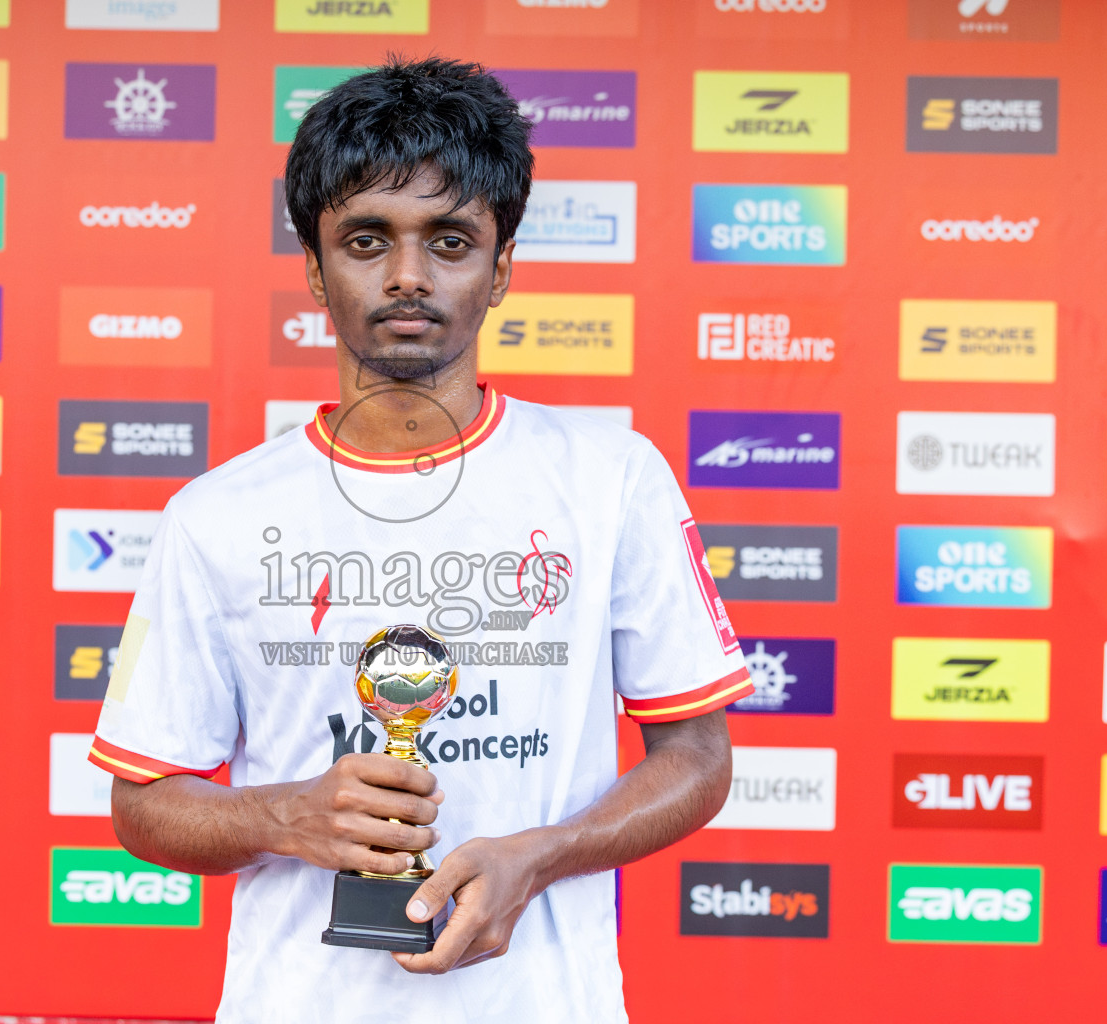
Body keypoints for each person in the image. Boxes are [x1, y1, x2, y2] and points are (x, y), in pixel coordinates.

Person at [89, 57, 752, 1023]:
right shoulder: (214, 514)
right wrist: (290, 815)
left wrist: (540, 857)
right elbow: (141, 806)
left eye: (449, 239)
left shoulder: (611, 479)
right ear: (315, 268)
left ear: (503, 264)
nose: (408, 276)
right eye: (367, 240)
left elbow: (697, 757)